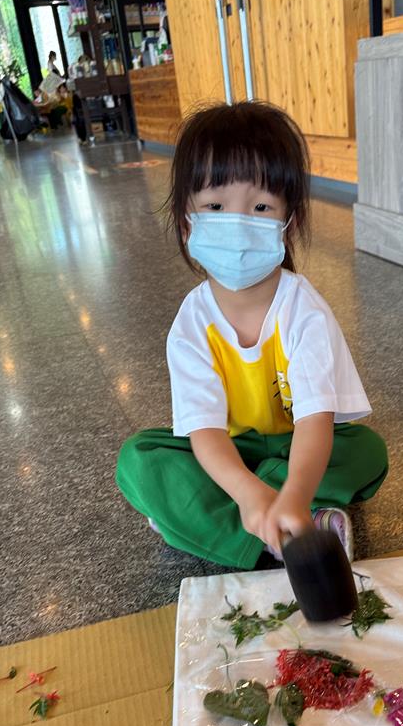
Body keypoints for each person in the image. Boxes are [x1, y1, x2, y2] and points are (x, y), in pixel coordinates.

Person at [115, 101, 388, 569]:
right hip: (230, 451)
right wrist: (248, 489)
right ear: (186, 222)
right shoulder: (192, 322)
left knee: (366, 451)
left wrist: (292, 491)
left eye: (260, 206)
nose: (238, 223)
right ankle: (283, 529)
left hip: (295, 445)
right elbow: (204, 432)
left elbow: (315, 422)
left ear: (288, 222)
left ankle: (219, 518)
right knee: (139, 459)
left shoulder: (304, 310)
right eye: (215, 206)